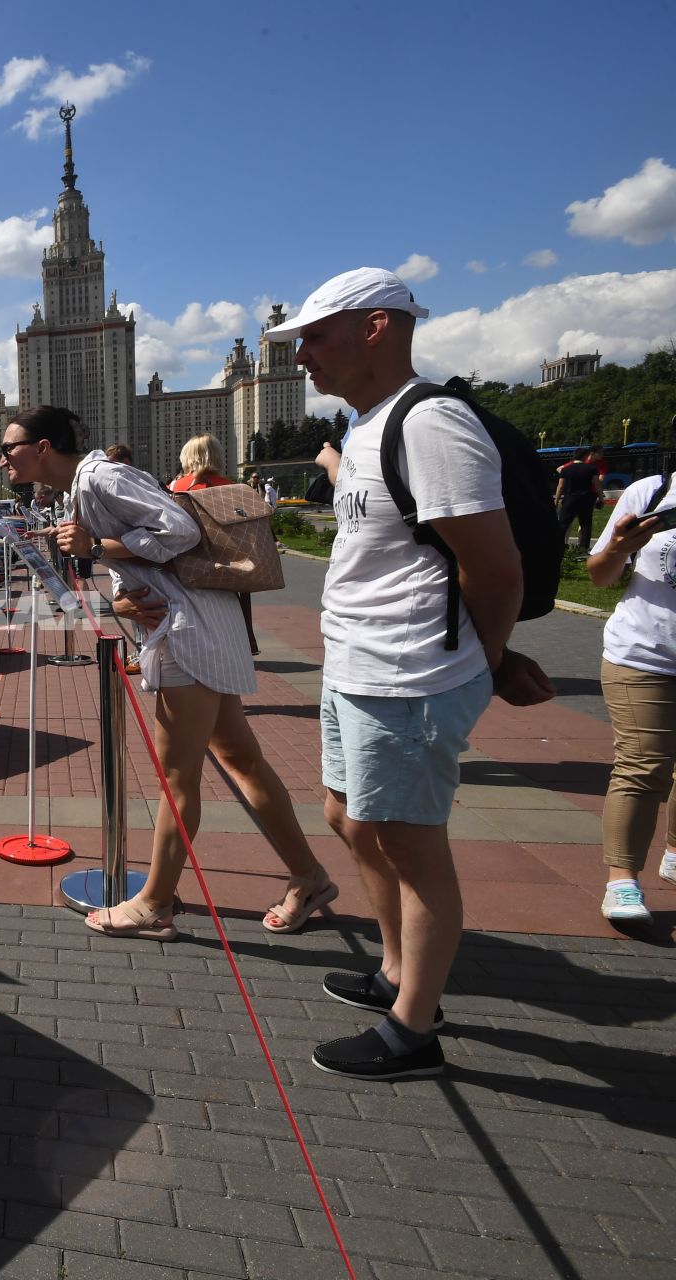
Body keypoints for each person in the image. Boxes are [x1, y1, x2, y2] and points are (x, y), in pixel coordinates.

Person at [273, 266, 553, 1081]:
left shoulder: (432, 424)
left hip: (407, 672)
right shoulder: (368, 425)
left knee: (410, 842)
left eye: (314, 337)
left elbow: (495, 571)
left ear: (376, 328)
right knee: (349, 819)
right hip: (359, 664)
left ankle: (414, 1027)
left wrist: (483, 663)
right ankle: (396, 968)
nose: (302, 357)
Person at [0, 406, 337, 942]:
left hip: (187, 631)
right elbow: (138, 562)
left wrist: (99, 548)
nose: (3, 459)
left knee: (178, 776)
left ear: (43, 447)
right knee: (239, 758)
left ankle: (155, 902)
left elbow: (176, 529)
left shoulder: (99, 476)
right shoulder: (82, 487)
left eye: (10, 448)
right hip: (195, 622)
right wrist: (125, 596)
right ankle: (308, 875)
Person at [584, 470, 676, 923]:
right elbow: (600, 576)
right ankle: (622, 883)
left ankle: (674, 853)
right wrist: (620, 546)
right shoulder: (652, 492)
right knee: (644, 765)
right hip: (645, 655)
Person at [170, 435, 260, 657]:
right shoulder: (234, 488)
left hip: (189, 569)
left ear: (188, 458)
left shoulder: (176, 488)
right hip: (229, 568)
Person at [555, 447, 604, 554]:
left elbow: (561, 486)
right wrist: (601, 498)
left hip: (569, 499)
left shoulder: (566, 469)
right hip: (586, 500)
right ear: (585, 456)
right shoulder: (591, 469)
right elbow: (597, 484)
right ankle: (583, 549)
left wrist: (557, 500)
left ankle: (559, 547)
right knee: (585, 524)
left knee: (563, 524)